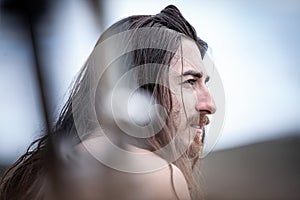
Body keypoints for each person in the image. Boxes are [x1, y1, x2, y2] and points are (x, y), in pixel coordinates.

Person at [0, 5, 216, 200]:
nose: (210, 104)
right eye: (190, 82)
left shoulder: (41, 174)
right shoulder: (154, 176)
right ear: (140, 87)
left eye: (204, 83)